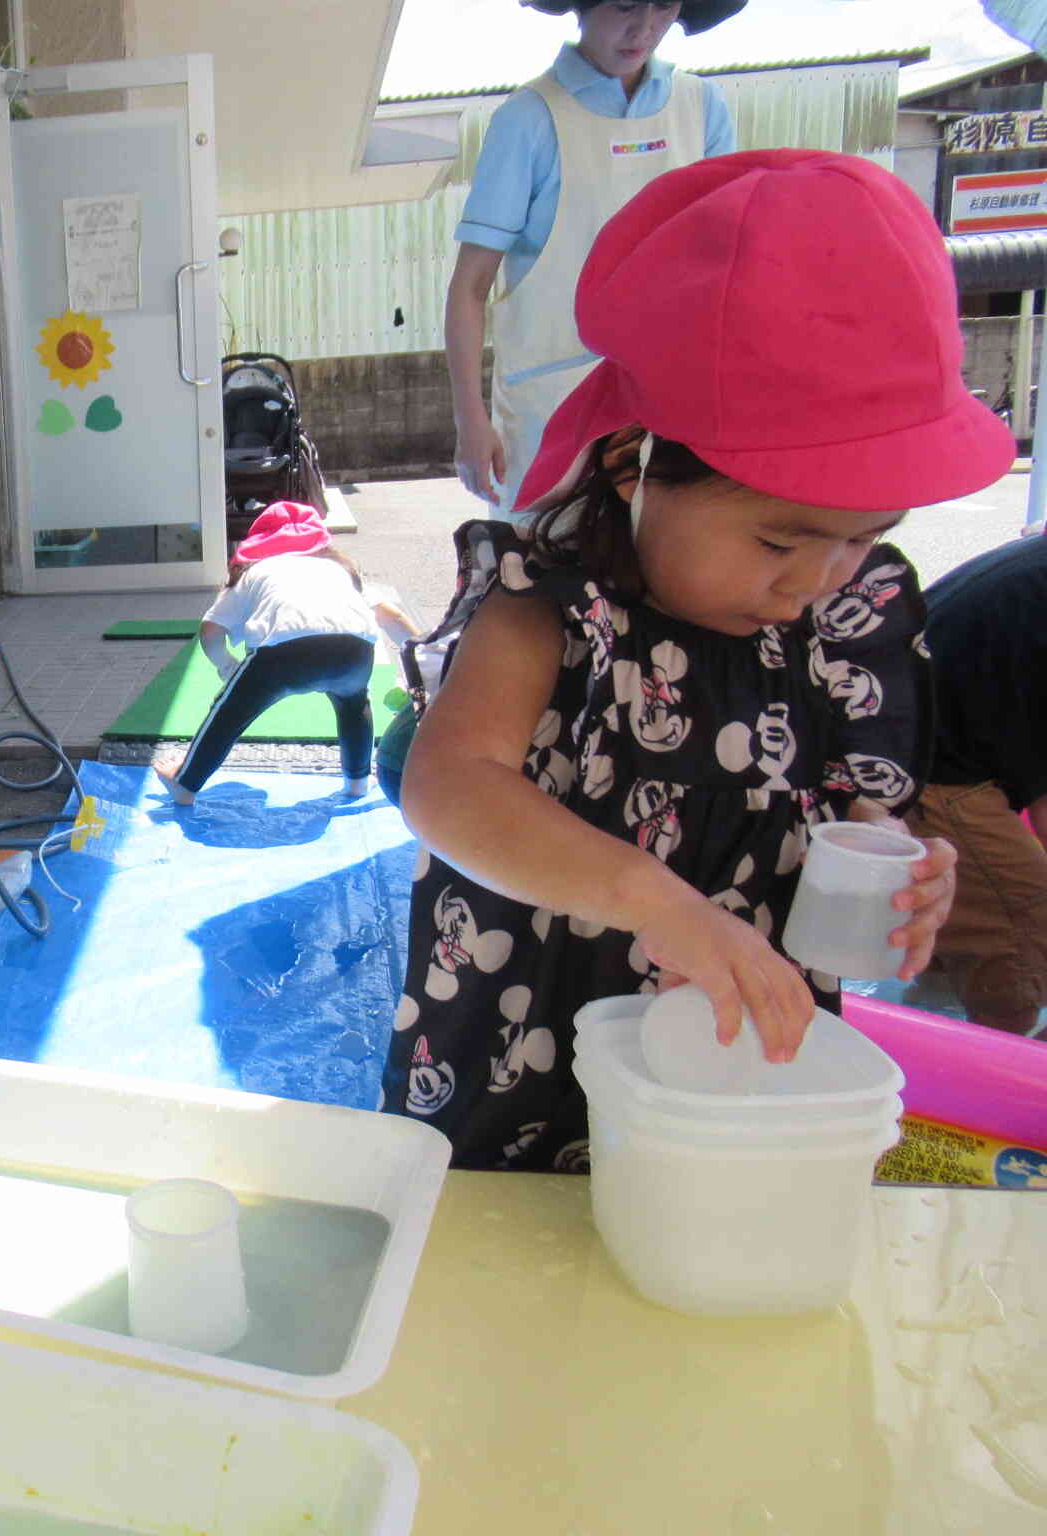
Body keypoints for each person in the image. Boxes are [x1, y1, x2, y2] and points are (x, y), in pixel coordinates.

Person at [385, 149, 1012, 1171]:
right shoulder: (550, 606)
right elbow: (446, 788)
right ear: (635, 462)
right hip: (527, 1048)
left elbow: (864, 814)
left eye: (862, 535)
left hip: (734, 1067)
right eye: (779, 540)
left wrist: (906, 883)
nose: (816, 577)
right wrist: (651, 902)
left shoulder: (851, 619)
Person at [448, 1, 742, 514]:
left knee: (666, 566)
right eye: (626, 4)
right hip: (551, 401)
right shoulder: (529, 117)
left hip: (672, 394)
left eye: (665, 6)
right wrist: (470, 418)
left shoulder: (700, 106)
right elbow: (470, 286)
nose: (645, 28)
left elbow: (723, 260)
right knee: (541, 568)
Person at [160, 501, 415, 805]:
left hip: (282, 654)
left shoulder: (256, 571)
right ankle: (358, 780)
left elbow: (211, 631)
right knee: (354, 703)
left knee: (228, 712)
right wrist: (419, 664)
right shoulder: (338, 568)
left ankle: (185, 783)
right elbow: (392, 617)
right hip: (355, 650)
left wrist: (226, 666)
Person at [903, 531, 1047, 1035]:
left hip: (911, 733)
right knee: (1027, 928)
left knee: (963, 927)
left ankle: (943, 995)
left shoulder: (1031, 564)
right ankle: (999, 1061)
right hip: (935, 763)